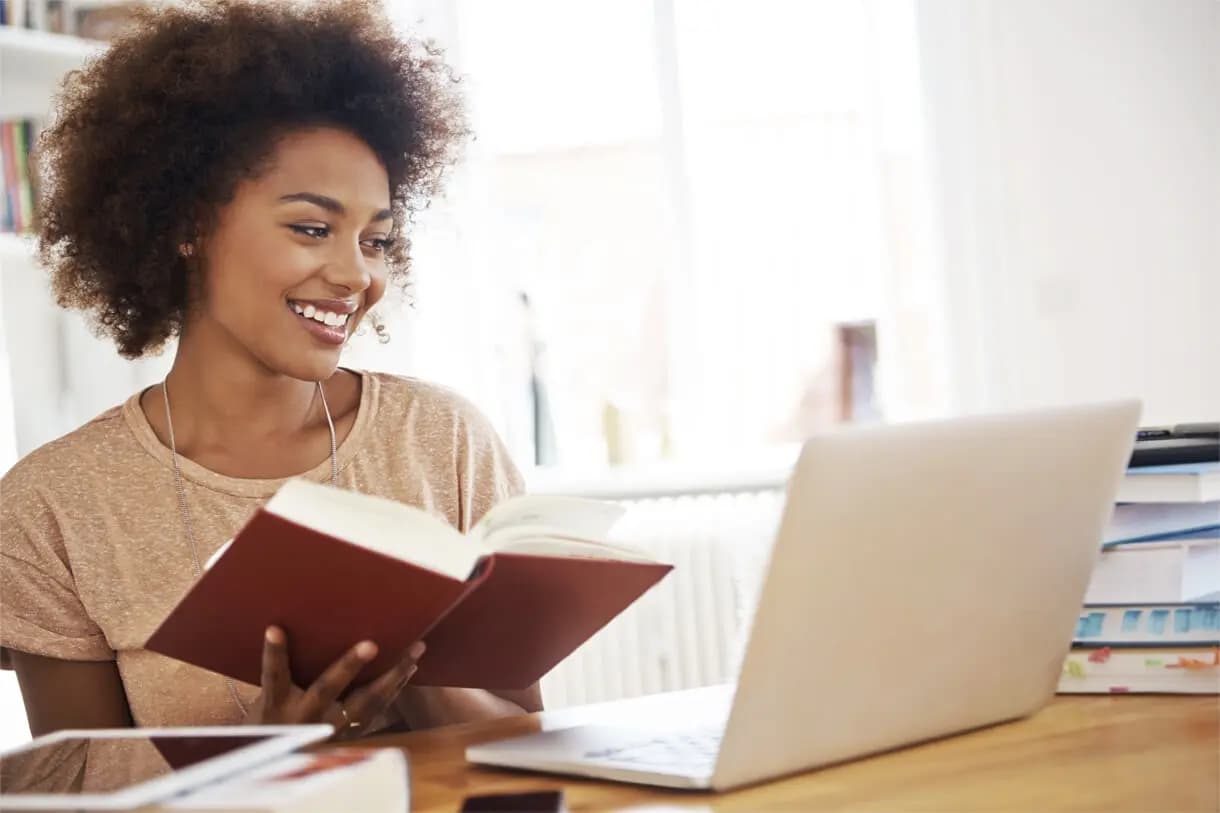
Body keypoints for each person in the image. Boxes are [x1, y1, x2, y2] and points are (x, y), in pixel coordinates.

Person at [0, 0, 542, 739]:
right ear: (188, 224)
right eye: (311, 228)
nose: (356, 275)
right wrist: (265, 753)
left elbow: (530, 739)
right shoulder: (53, 508)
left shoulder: (444, 442)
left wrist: (410, 669)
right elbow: (75, 792)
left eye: (377, 240)